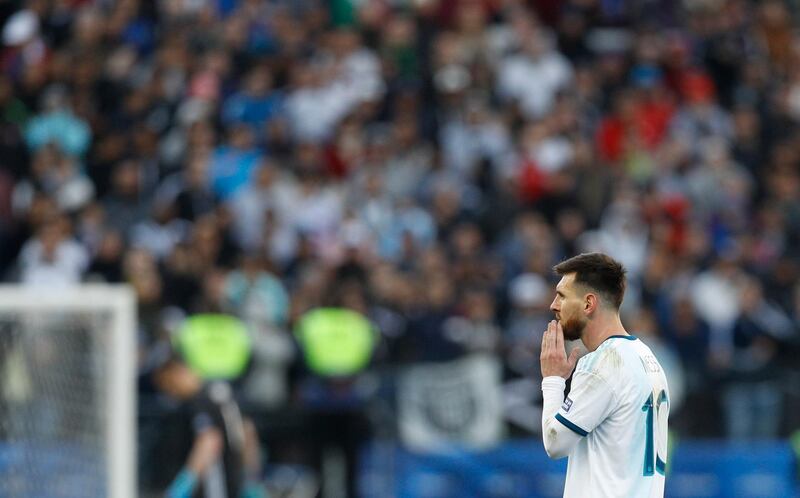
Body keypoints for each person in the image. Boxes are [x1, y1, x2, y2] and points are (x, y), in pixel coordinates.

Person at [539, 252, 670, 498]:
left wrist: (553, 380)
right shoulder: (648, 358)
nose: (553, 305)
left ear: (588, 303)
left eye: (562, 295)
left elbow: (555, 443)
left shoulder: (602, 364)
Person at [151, 354, 264, 498]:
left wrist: (186, 481)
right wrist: (252, 479)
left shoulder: (199, 401)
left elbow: (209, 440)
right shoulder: (225, 393)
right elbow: (248, 433)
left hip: (214, 488)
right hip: (235, 484)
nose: (170, 392)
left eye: (167, 384)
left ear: (177, 373)